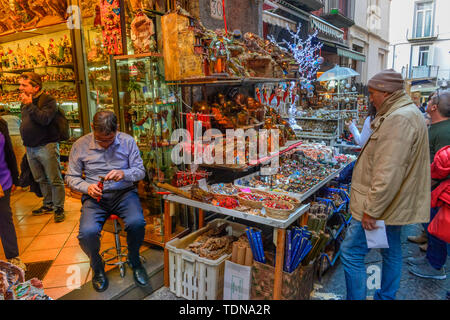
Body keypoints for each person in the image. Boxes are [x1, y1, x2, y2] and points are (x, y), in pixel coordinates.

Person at [340, 69, 431, 300]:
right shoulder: (405, 113)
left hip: (381, 205)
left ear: (386, 92)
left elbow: (388, 171)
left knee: (351, 252)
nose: (371, 98)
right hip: (394, 203)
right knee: (390, 250)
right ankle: (386, 296)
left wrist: (372, 210)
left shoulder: (399, 119)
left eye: (372, 93)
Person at [65, 110, 148, 292]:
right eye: (100, 140)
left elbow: (140, 171)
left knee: (137, 223)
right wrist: (87, 187)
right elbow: (71, 177)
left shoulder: (127, 141)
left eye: (109, 140)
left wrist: (124, 173)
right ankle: (97, 265)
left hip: (124, 193)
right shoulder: (80, 145)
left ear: (117, 129)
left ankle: (134, 260)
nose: (104, 144)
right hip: (95, 197)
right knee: (87, 233)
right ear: (93, 128)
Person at [408, 89, 450, 280]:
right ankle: (430, 260)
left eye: (432, 99)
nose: (429, 100)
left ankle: (435, 266)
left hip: (437, 189)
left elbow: (444, 164)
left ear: (434, 107)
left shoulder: (444, 131)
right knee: (431, 225)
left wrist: (426, 185)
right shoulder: (437, 127)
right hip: (432, 186)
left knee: (436, 226)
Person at [19, 72, 66, 223]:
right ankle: (48, 204)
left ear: (36, 86)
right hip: (31, 147)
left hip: (46, 146)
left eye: (24, 85)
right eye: (20, 85)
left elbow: (44, 119)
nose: (21, 88)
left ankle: (59, 208)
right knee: (40, 178)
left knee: (54, 178)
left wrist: (29, 105)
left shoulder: (48, 100)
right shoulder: (25, 101)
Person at [0, 116, 26, 271]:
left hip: (4, 180)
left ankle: (13, 257)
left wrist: (15, 178)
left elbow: (8, 152)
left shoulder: (1, 123)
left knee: (4, 218)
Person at [0, 107, 25, 175]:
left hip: (5, 139)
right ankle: (21, 179)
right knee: (20, 161)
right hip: (17, 137)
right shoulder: (15, 118)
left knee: (7, 161)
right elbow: (22, 128)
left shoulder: (1, 119)